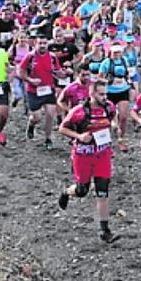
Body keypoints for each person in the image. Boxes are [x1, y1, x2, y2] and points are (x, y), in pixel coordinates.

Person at [56, 79, 119, 243]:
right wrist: (79, 137)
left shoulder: (109, 107)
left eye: (106, 94)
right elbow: (62, 128)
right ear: (91, 94)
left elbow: (114, 117)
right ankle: (67, 192)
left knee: (102, 191)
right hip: (83, 155)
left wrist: (114, 125)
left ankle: (105, 230)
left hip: (103, 154)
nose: (105, 97)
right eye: (101, 94)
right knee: (82, 190)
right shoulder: (79, 111)